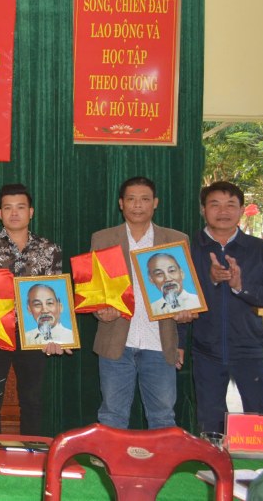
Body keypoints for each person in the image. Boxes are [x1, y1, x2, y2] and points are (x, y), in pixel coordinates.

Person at [92, 176, 194, 430]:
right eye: (131, 199)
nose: (138, 205)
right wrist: (99, 312)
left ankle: (161, 469)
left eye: (145, 199)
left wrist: (185, 314)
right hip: (116, 341)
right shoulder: (103, 239)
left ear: (155, 203)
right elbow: (95, 291)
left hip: (160, 343)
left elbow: (185, 294)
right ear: (121, 203)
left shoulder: (175, 240)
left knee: (162, 417)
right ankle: (111, 470)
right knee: (112, 416)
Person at [0, 183, 63, 436]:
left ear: (31, 212)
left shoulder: (49, 249)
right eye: (8, 208)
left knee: (32, 401)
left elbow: (56, 297)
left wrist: (53, 337)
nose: (14, 213)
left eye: (20, 207)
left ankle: (32, 457)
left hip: (34, 336)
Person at [186, 181, 263, 433]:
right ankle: (214, 470)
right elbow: (178, 300)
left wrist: (240, 286)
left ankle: (258, 472)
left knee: (256, 419)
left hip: (250, 348)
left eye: (230, 205)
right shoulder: (189, 249)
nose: (223, 211)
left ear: (242, 209)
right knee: (210, 418)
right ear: (202, 209)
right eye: (215, 204)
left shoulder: (261, 250)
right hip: (206, 350)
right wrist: (211, 280)